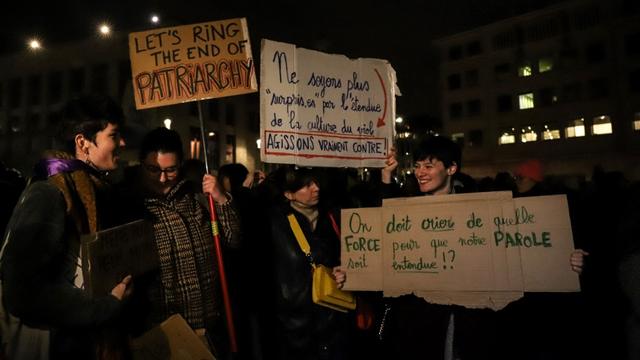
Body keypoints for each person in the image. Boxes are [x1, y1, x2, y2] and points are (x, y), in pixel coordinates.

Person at [0, 94, 132, 359]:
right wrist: (106, 306)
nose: (123, 143)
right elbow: (22, 292)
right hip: (56, 347)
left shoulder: (97, 189)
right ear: (82, 142)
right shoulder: (49, 193)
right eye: (114, 135)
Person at [121, 127, 241, 357]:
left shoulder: (196, 196)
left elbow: (233, 241)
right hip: (161, 334)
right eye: (153, 169)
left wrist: (221, 199)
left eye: (171, 170)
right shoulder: (129, 205)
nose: (162, 178)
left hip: (210, 326)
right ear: (140, 164)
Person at [263, 166, 349, 360]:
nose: (316, 188)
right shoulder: (275, 223)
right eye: (307, 185)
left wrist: (346, 272)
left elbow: (355, 256)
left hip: (334, 320)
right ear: (289, 194)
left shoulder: (333, 217)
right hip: (294, 326)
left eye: (316, 182)